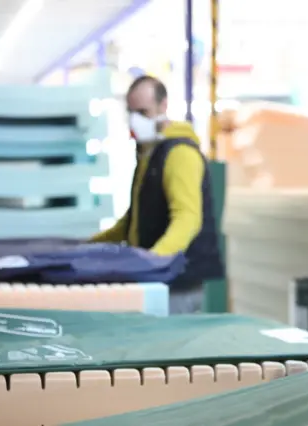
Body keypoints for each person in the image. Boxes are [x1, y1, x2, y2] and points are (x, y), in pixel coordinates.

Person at [91, 76, 223, 314]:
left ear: (163, 106)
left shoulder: (179, 153)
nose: (135, 119)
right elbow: (134, 219)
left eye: (143, 111)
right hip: (157, 282)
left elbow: (187, 219)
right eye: (131, 112)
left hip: (176, 285)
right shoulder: (149, 153)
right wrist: (88, 246)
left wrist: (151, 261)